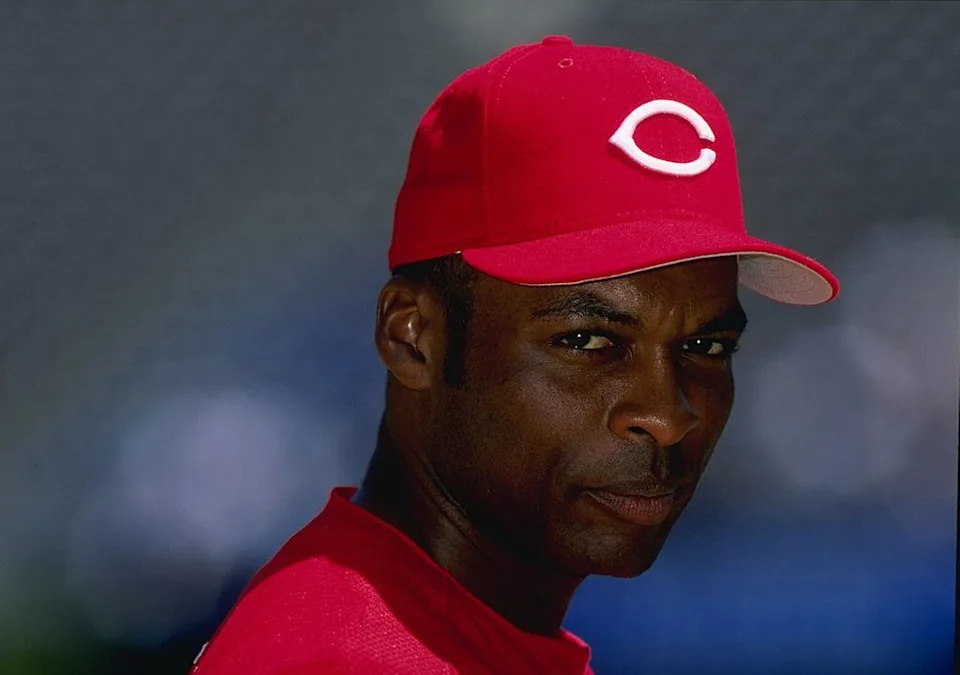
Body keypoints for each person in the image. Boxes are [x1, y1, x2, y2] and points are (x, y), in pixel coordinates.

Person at [191, 36, 838, 674]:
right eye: (587, 341)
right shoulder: (346, 660)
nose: (668, 416)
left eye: (705, 347)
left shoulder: (424, 628)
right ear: (412, 337)